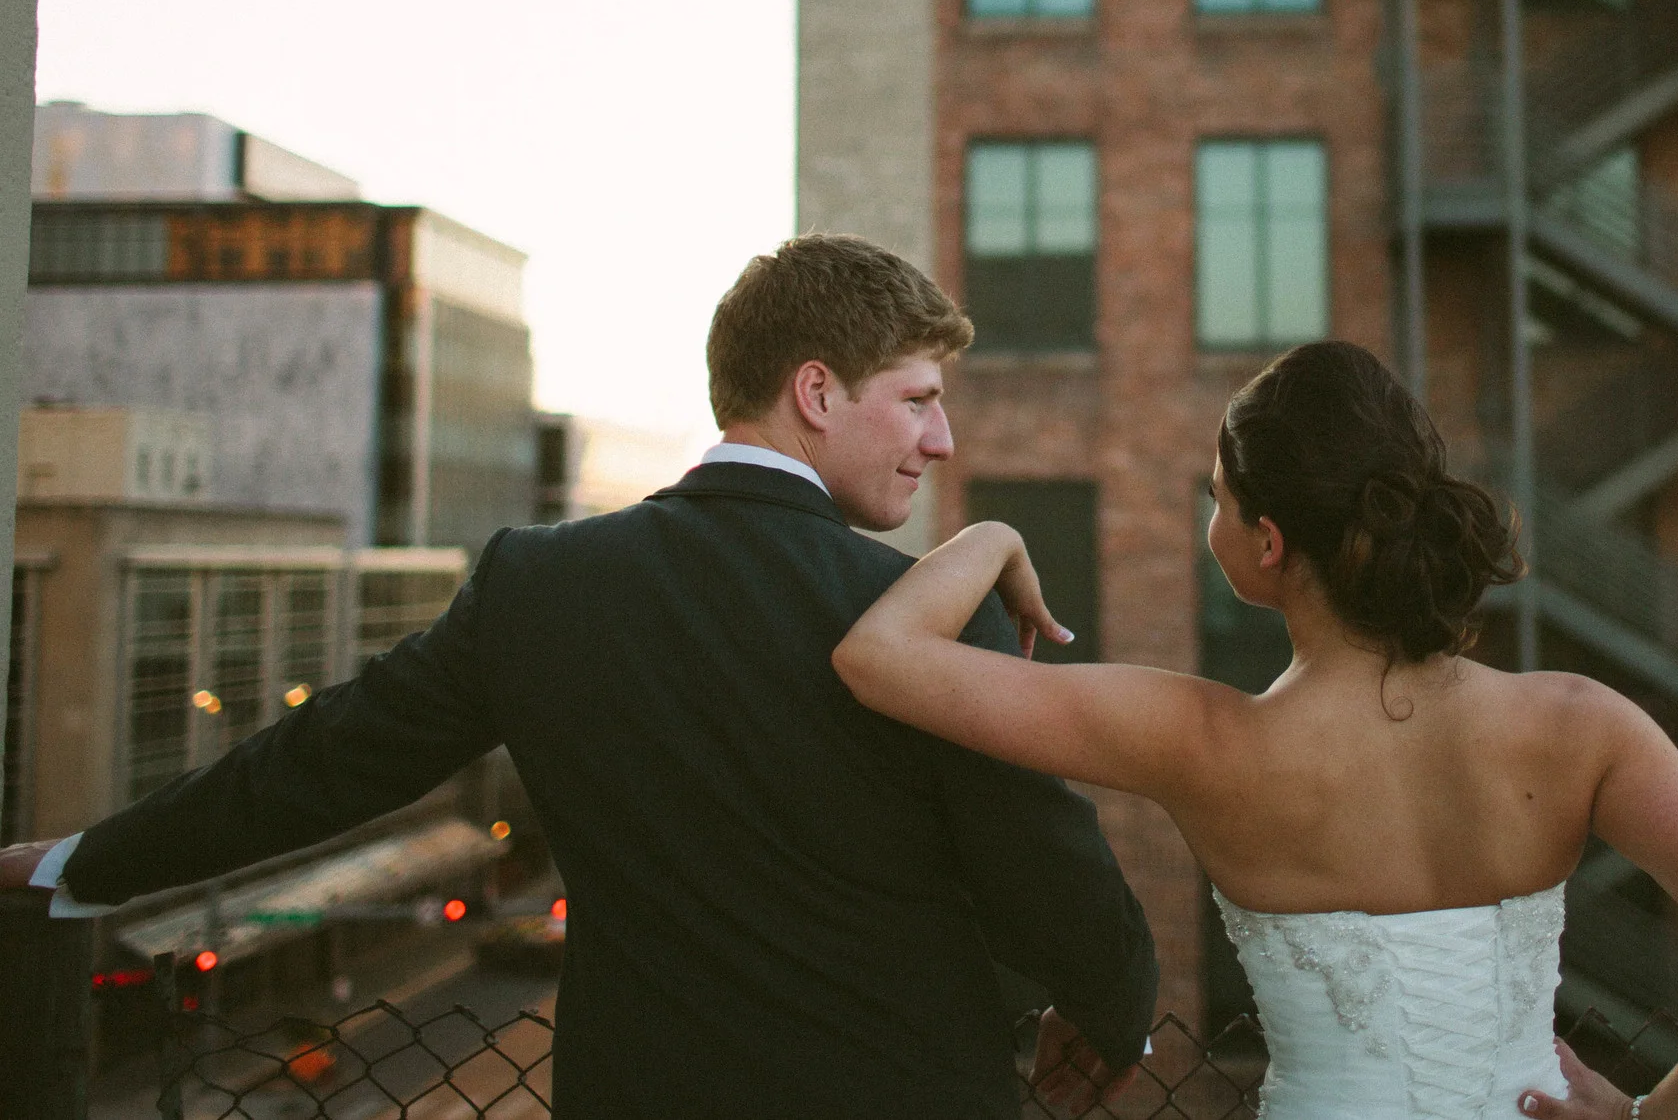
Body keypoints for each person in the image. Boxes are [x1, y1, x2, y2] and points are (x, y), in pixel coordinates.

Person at [2, 234, 1158, 1120]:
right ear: (815, 391)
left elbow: (323, 761)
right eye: (917, 398)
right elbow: (1042, 852)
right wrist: (1111, 1011)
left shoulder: (540, 584)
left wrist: (81, 862)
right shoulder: (918, 618)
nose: (941, 437)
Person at [835, 338, 1678, 1120]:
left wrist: (994, 533)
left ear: (1268, 543)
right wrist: (1650, 1115)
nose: (1209, 518)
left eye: (1216, 499)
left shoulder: (1199, 738)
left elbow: (877, 656)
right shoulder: (1582, 724)